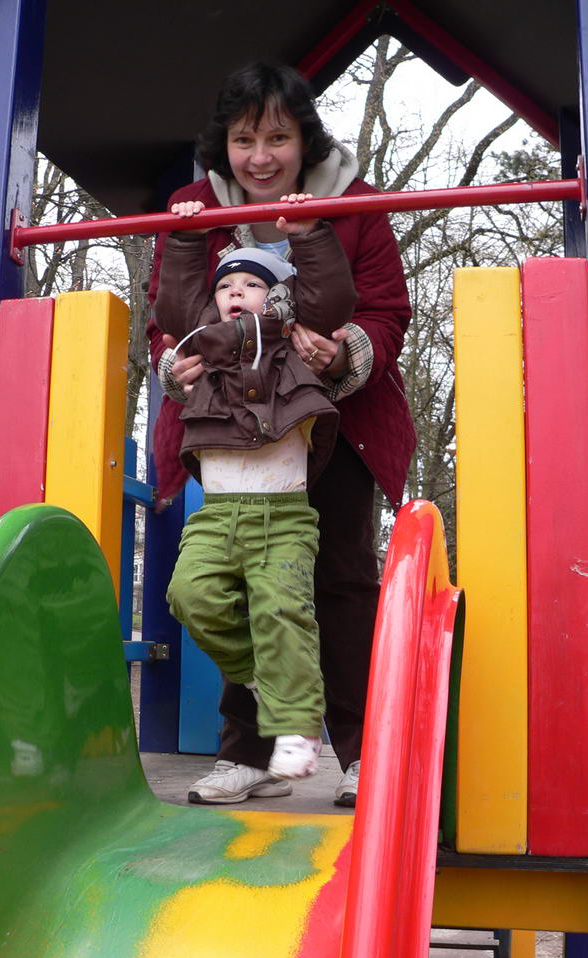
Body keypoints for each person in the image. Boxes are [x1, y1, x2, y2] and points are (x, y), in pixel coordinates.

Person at [147, 62, 416, 806]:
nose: (260, 157)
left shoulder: (355, 205)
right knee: (238, 581)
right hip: (236, 433)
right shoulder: (195, 210)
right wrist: (176, 365)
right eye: (244, 140)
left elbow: (388, 310)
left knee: (341, 581)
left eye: (277, 138)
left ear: (305, 139)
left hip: (333, 424)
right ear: (223, 145)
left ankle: (360, 753)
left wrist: (346, 350)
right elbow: (167, 313)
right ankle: (251, 750)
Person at [156, 195, 356, 781]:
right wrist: (186, 240)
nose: (236, 292)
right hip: (216, 514)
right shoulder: (203, 352)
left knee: (282, 610)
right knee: (189, 596)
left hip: (283, 513)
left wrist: (312, 235)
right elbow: (175, 305)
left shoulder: (294, 346)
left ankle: (296, 722)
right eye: (226, 286)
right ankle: (264, 680)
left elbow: (330, 299)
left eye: (252, 284)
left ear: (280, 298)